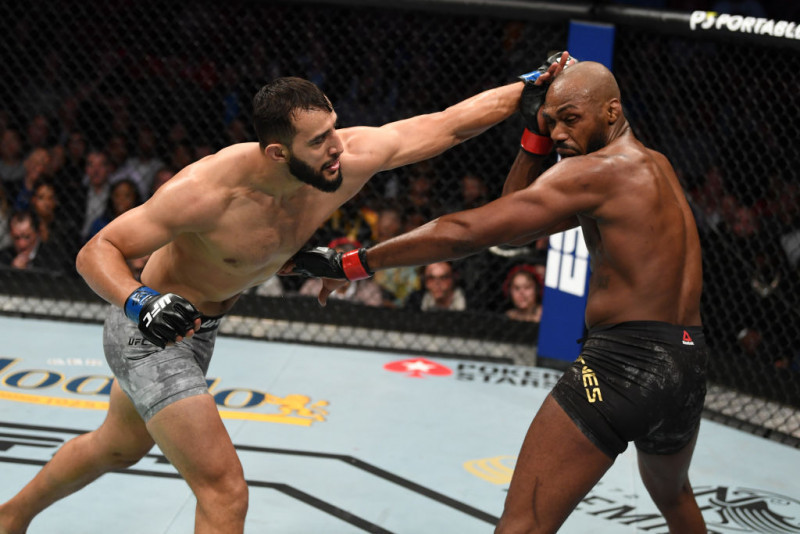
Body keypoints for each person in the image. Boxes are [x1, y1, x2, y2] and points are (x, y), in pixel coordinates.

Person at [0, 64, 550, 533]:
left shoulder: (343, 159)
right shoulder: (207, 192)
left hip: (202, 330)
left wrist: (526, 89)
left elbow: (447, 125)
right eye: (319, 141)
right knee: (225, 492)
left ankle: (10, 517)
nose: (336, 148)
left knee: (118, 446)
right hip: (151, 333)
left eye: (333, 128)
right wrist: (142, 302)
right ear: (276, 152)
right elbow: (96, 251)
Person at [290, 60, 708, 533]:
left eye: (570, 119)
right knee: (674, 496)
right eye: (551, 123)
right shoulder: (656, 166)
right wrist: (533, 138)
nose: (559, 134)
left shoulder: (594, 173)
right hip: (687, 365)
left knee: (520, 526)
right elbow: (517, 228)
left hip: (623, 365)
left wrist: (352, 263)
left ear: (612, 111)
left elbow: (468, 232)